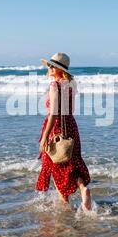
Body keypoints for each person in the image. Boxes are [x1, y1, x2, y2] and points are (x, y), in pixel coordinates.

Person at [36, 52, 92, 210]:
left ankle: (65, 208)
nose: (50, 68)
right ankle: (83, 189)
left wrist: (45, 137)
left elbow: (54, 113)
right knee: (73, 162)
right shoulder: (71, 84)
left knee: (58, 165)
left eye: (52, 66)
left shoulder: (54, 85)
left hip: (56, 127)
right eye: (50, 65)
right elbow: (71, 109)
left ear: (60, 69)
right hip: (71, 125)